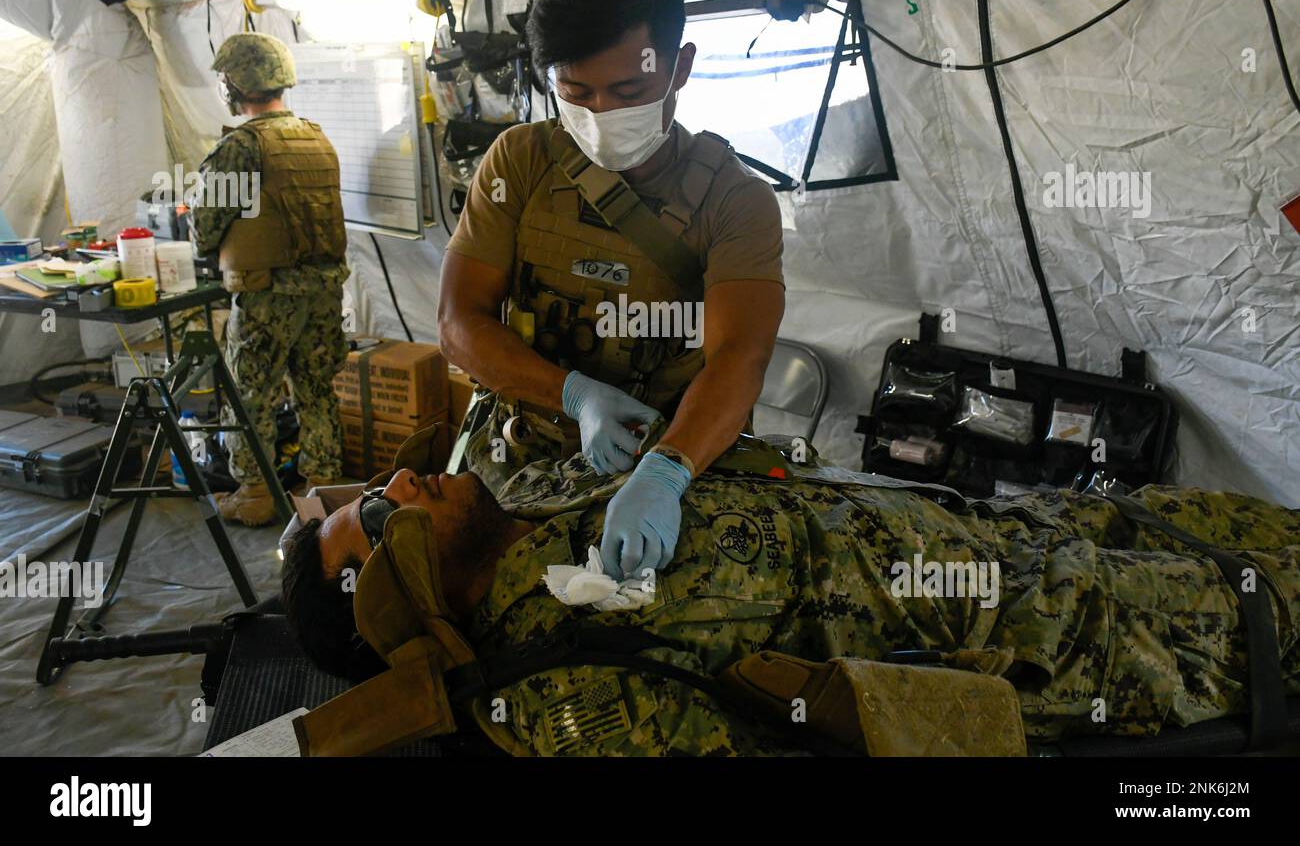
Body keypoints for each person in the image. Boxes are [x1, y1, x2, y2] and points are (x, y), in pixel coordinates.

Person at [282, 433, 1300, 756]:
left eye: (373, 491)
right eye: (375, 522)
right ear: (391, 599)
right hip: (1082, 629)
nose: (399, 487)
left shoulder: (531, 507)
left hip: (1028, 530)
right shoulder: (564, 685)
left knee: (1255, 521)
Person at [437, 0, 785, 582]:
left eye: (629, 91)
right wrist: (573, 396)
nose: (601, 115)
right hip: (521, 460)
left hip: (664, 472)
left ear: (679, 67)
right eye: (576, 93)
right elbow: (459, 321)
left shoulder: (734, 200)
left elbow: (740, 356)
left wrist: (667, 471)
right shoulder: (519, 162)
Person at [190, 32, 350, 526]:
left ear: (237, 84)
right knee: (316, 389)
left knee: (251, 394)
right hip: (323, 290)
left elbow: (205, 226)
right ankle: (323, 493)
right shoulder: (316, 137)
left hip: (267, 295)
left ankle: (256, 493)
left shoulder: (239, 147)